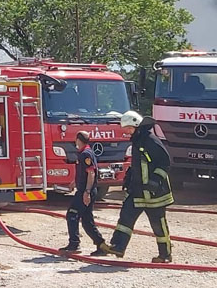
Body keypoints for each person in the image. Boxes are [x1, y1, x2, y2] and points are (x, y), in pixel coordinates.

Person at [101, 110, 175, 263]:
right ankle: (118, 247)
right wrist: (129, 180)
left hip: (155, 194)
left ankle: (165, 255)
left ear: (136, 125)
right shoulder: (137, 141)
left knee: (158, 225)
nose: (126, 132)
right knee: (125, 218)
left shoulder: (150, 140)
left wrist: (154, 182)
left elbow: (165, 162)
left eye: (128, 128)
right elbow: (139, 165)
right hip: (138, 192)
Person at [60, 130, 111, 255]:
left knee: (72, 215)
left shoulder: (85, 154)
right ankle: (101, 245)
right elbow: (83, 172)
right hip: (84, 190)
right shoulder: (84, 153)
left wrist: (87, 192)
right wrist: (74, 182)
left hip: (85, 191)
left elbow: (91, 173)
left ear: (78, 140)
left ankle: (74, 244)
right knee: (87, 221)